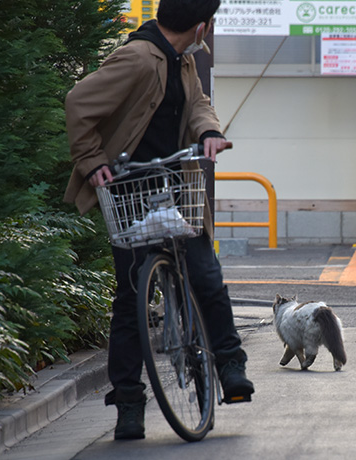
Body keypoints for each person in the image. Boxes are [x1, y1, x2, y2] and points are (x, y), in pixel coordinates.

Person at [63, 0, 254, 441]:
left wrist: (208, 132)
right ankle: (129, 404)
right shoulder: (137, 57)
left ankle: (229, 366)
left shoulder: (183, 58)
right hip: (131, 193)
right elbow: (78, 102)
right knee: (131, 301)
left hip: (175, 191)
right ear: (202, 25)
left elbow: (198, 105)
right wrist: (92, 161)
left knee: (206, 276)